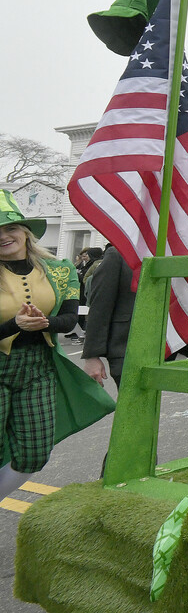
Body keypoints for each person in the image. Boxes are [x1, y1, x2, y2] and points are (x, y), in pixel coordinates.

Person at [0, 191, 112, 497]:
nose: (4, 236)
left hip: (38, 369)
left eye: (9, 228)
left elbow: (68, 319)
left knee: (34, 452)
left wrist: (43, 323)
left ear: (24, 232)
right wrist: (14, 325)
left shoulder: (59, 270)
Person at [80, 244, 133, 388]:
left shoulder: (177, 250)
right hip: (125, 350)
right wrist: (91, 356)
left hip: (170, 349)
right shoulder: (117, 254)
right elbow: (100, 306)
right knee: (132, 407)